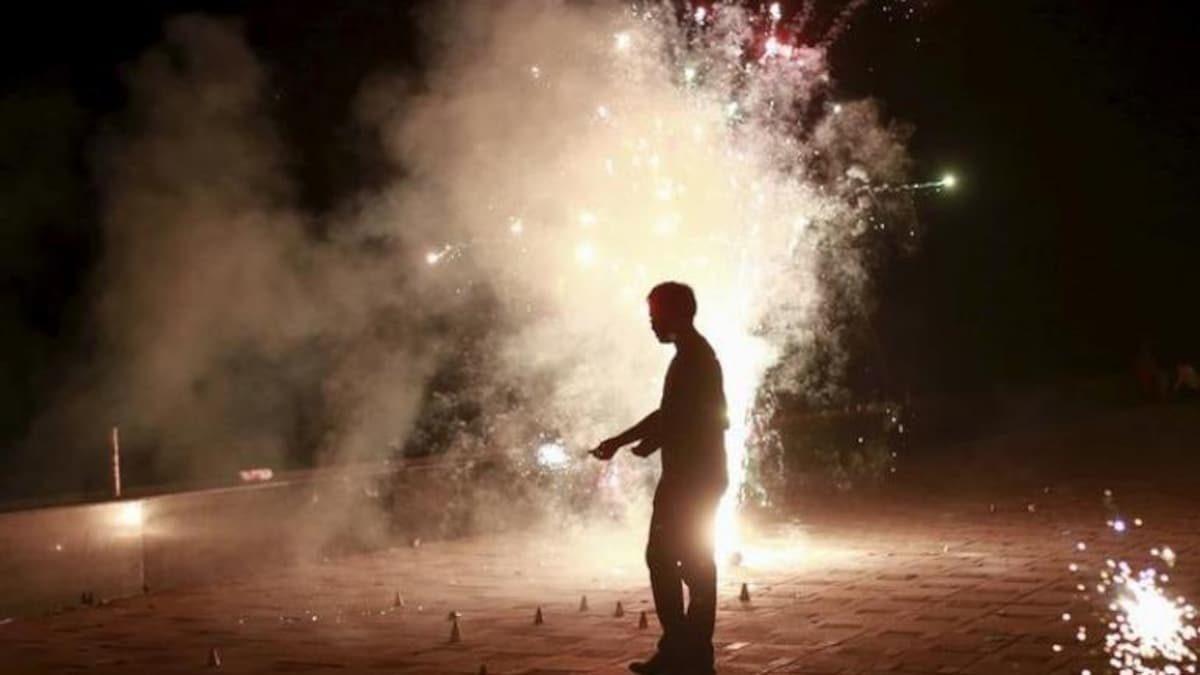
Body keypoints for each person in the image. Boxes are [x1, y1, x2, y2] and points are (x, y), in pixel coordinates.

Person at [591, 282, 729, 675]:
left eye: (656, 315)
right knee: (685, 559)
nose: (651, 323)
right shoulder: (692, 356)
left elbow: (688, 417)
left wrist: (633, 441)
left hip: (692, 479)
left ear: (677, 314)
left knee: (676, 559)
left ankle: (685, 651)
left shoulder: (694, 359)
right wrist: (635, 441)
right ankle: (688, 651)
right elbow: (676, 414)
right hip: (694, 476)